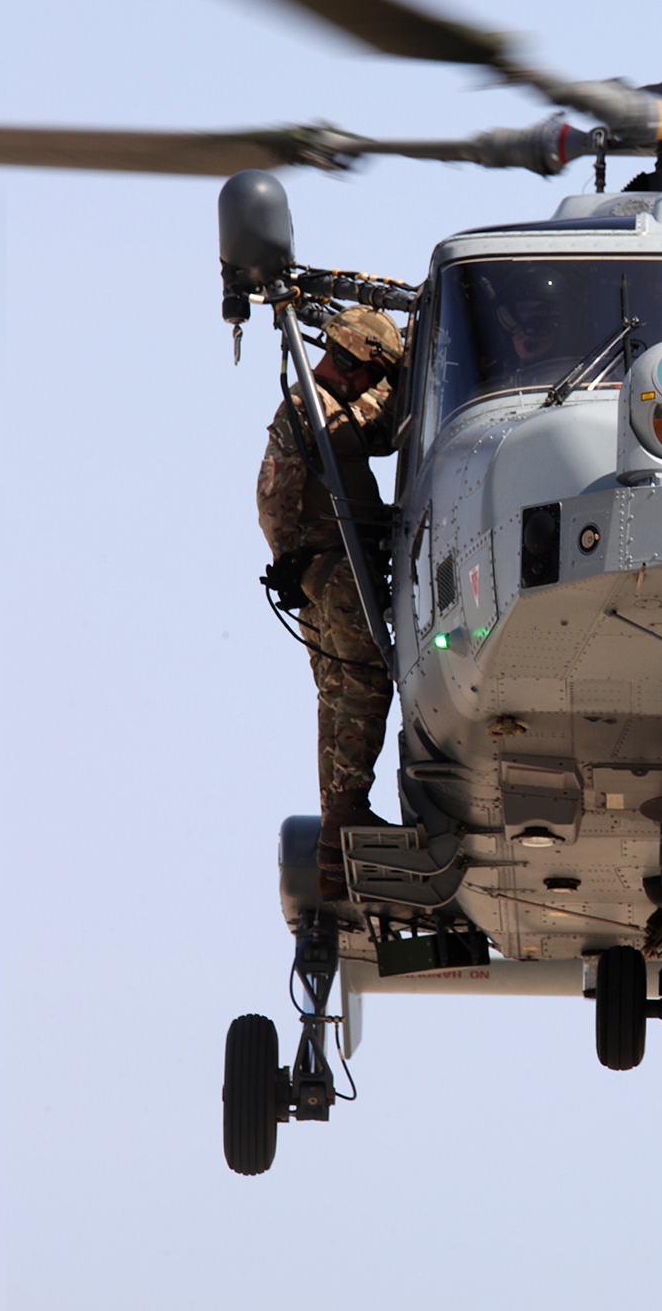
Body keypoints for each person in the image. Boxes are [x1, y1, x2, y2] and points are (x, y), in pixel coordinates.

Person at [257, 304, 406, 887]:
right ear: (351, 364)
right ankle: (345, 808)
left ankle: (334, 826)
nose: (373, 384)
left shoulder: (326, 407)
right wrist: (292, 556)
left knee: (336, 688)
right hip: (333, 566)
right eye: (373, 371)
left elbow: (374, 420)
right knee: (364, 677)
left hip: (319, 568)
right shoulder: (310, 409)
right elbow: (274, 493)